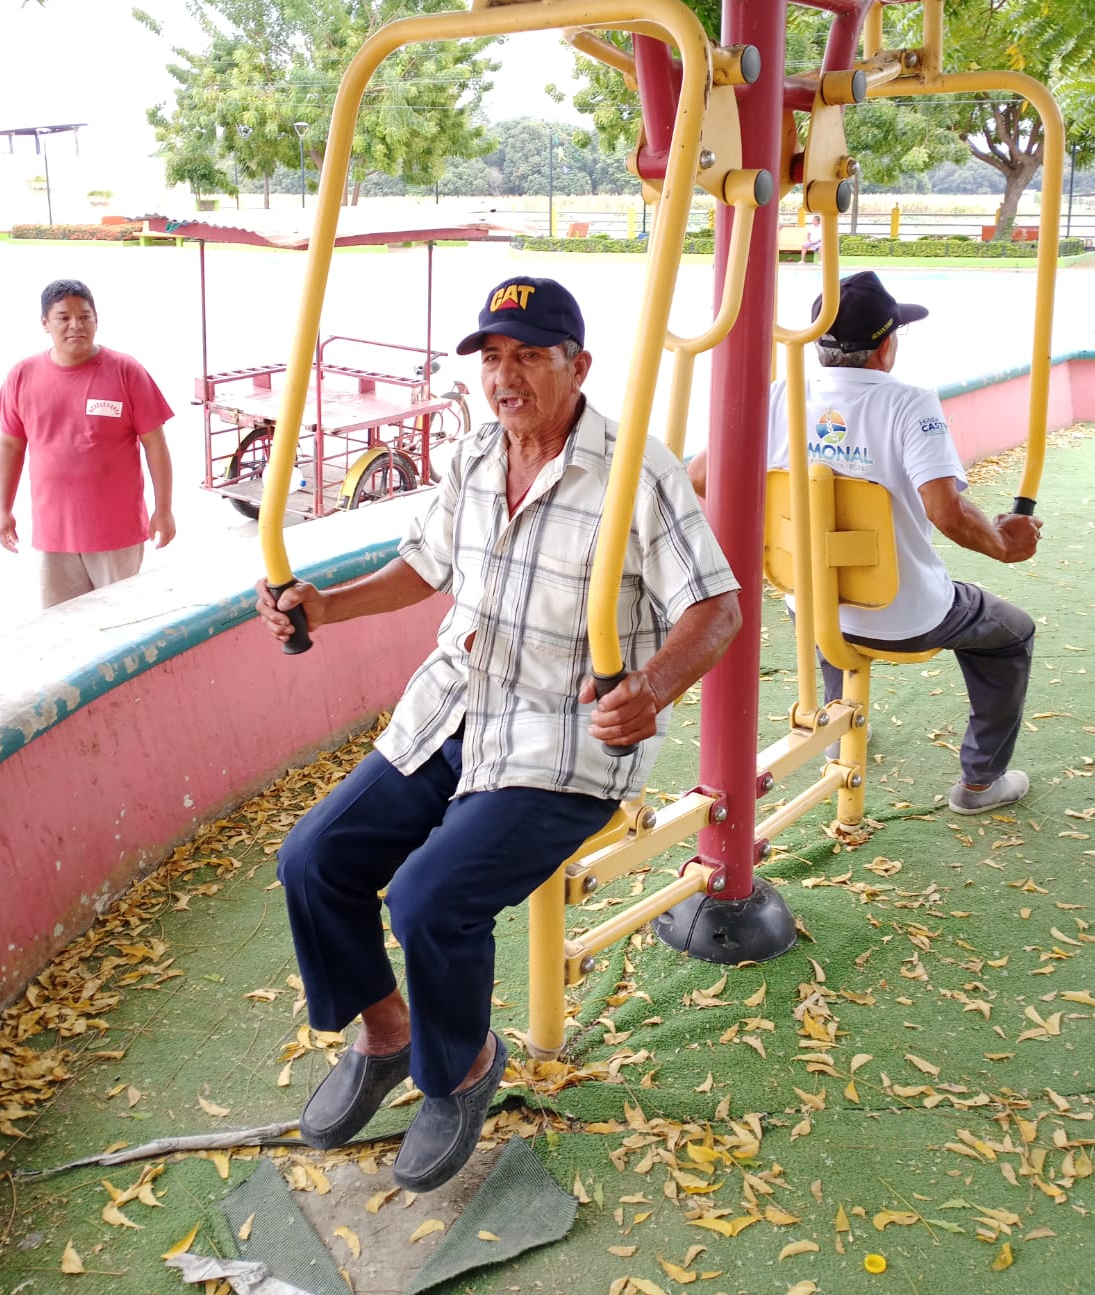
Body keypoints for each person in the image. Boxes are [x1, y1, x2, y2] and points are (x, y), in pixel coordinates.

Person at [256, 275, 740, 1191]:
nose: (504, 376)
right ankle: (388, 1034)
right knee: (313, 860)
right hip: (456, 707)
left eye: (527, 356)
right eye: (491, 357)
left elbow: (716, 608)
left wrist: (650, 688)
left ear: (578, 366)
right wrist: (328, 604)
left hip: (563, 734)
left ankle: (463, 1068)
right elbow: (425, 564)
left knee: (429, 898)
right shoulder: (478, 453)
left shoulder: (637, 469)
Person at [688, 269, 1042, 815]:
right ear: (884, 346)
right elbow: (945, 510)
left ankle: (839, 724)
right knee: (1012, 634)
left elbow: (699, 477)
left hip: (809, 604)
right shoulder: (909, 404)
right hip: (906, 616)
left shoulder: (778, 397)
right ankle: (980, 782)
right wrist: (1003, 544)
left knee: (826, 580)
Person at [0, 278, 176, 608]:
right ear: (45, 323)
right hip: (53, 534)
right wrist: (3, 510)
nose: (75, 325)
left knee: (121, 620)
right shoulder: (22, 375)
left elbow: (156, 444)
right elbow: (10, 446)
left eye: (84, 316)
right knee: (62, 624)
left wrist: (163, 510)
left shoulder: (126, 371)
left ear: (96, 320)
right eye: (63, 317)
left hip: (116, 533)